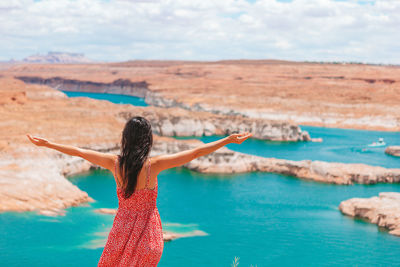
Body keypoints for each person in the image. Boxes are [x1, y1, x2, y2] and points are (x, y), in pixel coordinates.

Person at [26, 116, 252, 266]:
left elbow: (80, 152)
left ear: (126, 138)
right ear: (147, 140)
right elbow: (194, 154)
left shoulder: (113, 163)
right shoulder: (154, 165)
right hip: (149, 236)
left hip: (121, 233)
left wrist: (48, 144)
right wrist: (228, 140)